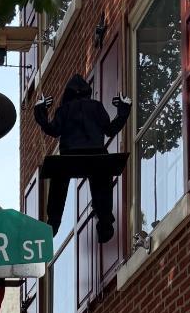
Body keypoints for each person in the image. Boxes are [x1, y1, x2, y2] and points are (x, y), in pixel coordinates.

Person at [35, 75, 131, 243]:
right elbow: (110, 129)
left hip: (69, 156)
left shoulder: (63, 110)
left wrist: (41, 110)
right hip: (96, 154)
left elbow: (52, 130)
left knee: (58, 186)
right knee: (102, 184)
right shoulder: (96, 106)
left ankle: (53, 223)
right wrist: (124, 109)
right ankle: (105, 224)